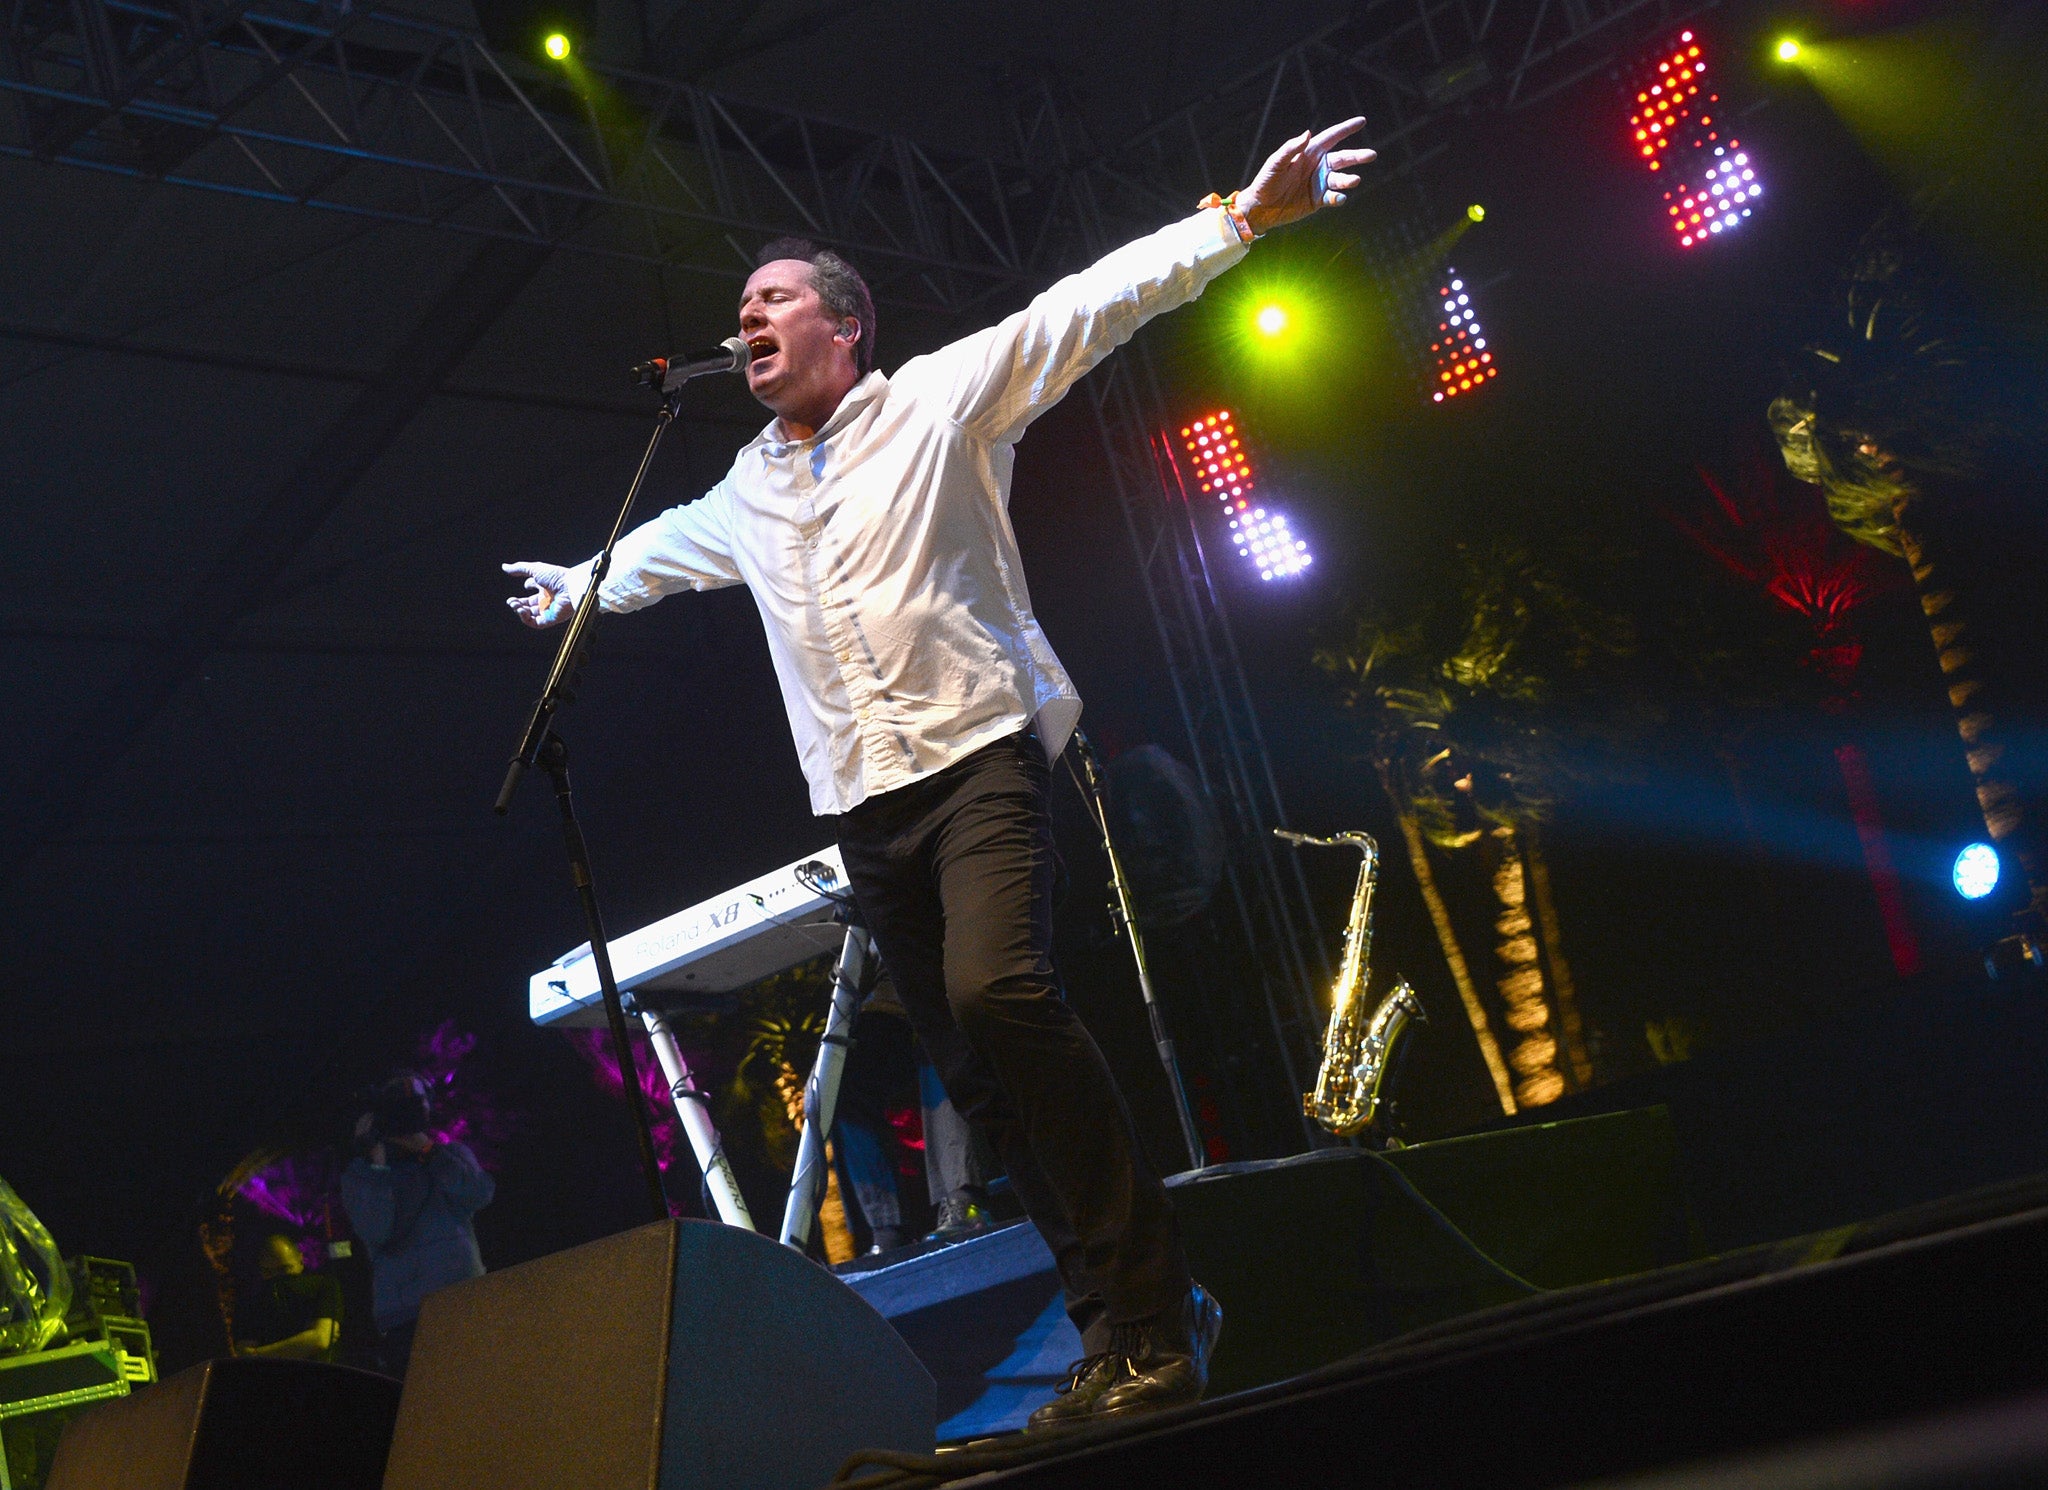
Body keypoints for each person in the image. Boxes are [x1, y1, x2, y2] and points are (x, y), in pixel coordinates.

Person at [504, 119, 1373, 1425]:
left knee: (1002, 990)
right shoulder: (746, 488)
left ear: (843, 327)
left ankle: (1152, 1308)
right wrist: (577, 587)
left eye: (775, 296)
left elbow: (1089, 305)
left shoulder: (940, 399)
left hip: (979, 763)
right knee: (979, 1081)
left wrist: (1238, 221)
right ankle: (1114, 1338)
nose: (747, 312)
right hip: (866, 808)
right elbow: (665, 552)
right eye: (739, 305)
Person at [338, 1075, 495, 1379]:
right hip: (409, 1316)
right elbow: (376, 1230)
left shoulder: (450, 1156)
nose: (413, 1112)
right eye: (403, 1106)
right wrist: (378, 1165)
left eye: (418, 1103)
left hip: (467, 1297)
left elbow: (479, 1195)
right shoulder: (361, 1175)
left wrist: (429, 1152)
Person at [233, 1233, 341, 1362]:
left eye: (285, 1269)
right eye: (268, 1272)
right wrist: (304, 1341)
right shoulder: (253, 1300)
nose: (278, 1280)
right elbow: (243, 1355)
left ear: (301, 1261)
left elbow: (320, 1339)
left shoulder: (322, 1285)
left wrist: (257, 1354)